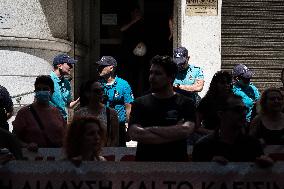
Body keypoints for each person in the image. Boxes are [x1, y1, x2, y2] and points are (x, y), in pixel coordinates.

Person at [128, 55, 196, 162]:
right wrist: (173, 133)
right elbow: (134, 133)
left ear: (171, 77)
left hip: (176, 171)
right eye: (151, 72)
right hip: (145, 171)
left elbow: (186, 130)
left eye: (158, 73)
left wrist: (150, 129)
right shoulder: (140, 103)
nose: (152, 77)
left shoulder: (186, 103)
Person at [192, 94, 272, 165]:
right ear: (221, 114)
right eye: (237, 110)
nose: (243, 113)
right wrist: (209, 166)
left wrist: (266, 166)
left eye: (245, 109)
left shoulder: (253, 144)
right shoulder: (203, 147)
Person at [13, 75, 66, 148]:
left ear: (52, 92)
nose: (41, 91)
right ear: (35, 92)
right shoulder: (24, 112)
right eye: (38, 89)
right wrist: (26, 145)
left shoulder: (57, 112)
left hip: (56, 156)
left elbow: (65, 135)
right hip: (33, 157)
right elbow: (14, 138)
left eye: (45, 89)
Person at [97, 56, 134, 147]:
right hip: (100, 126)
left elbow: (129, 108)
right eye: (99, 66)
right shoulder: (97, 85)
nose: (98, 68)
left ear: (111, 68)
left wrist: (129, 128)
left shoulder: (123, 85)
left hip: (118, 126)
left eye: (102, 66)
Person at [74, 80, 119, 147]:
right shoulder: (79, 114)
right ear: (87, 94)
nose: (101, 93)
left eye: (102, 90)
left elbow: (115, 138)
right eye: (97, 91)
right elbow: (75, 137)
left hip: (106, 153)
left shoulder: (111, 113)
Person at [50, 54, 80, 121]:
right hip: (49, 122)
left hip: (62, 122)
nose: (71, 67)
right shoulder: (48, 81)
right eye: (69, 64)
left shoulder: (66, 83)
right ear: (60, 65)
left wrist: (79, 100)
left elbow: (69, 105)